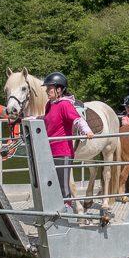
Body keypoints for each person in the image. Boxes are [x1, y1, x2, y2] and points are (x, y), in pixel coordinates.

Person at [42, 72, 93, 208]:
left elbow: (77, 120)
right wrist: (27, 120)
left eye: (49, 88)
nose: (47, 91)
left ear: (59, 89)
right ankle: (55, 210)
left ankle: (67, 213)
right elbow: (46, 120)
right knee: (53, 184)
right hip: (50, 150)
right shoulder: (49, 105)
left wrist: (86, 131)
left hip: (62, 150)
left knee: (64, 186)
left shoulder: (65, 105)